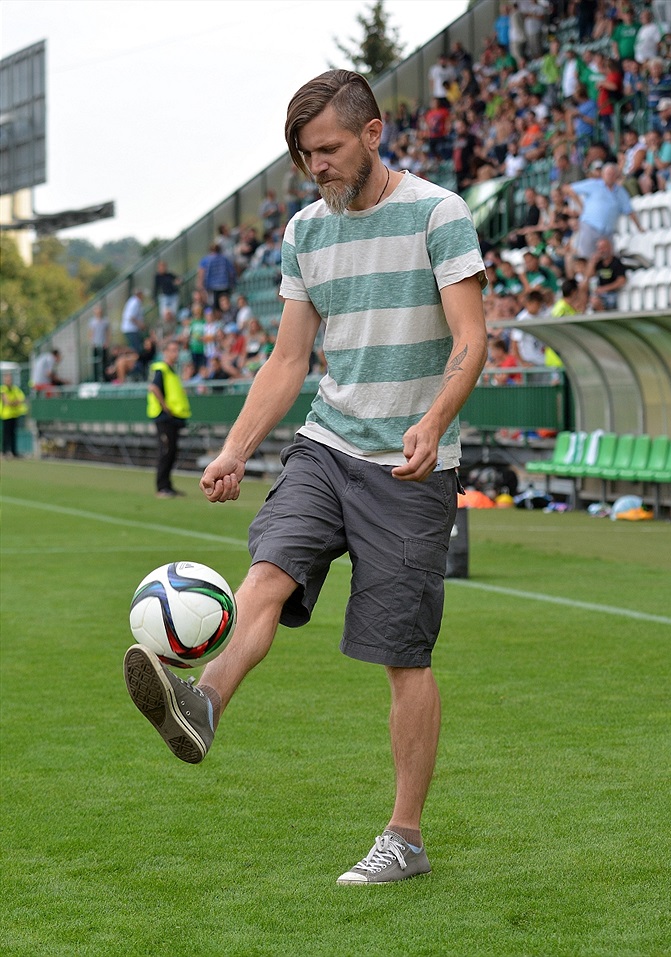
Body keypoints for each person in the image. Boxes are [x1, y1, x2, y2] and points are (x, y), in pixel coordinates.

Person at [124, 68, 487, 886]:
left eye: (326, 149)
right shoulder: (304, 232)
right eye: (301, 154)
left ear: (371, 134)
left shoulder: (439, 213)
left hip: (410, 464)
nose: (315, 165)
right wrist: (235, 448)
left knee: (403, 656)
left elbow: (471, 340)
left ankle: (405, 836)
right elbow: (289, 359)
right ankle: (202, 703)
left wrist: (431, 420)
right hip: (325, 444)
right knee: (264, 576)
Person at [146, 338, 191, 498]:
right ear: (165, 352)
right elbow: (153, 387)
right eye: (172, 350)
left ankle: (168, 486)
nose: (175, 353)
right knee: (165, 451)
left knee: (171, 451)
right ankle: (161, 487)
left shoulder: (172, 371)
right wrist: (165, 406)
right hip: (164, 417)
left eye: (177, 350)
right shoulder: (161, 368)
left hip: (174, 418)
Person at [0, 371, 28, 457]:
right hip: (5, 415)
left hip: (14, 414)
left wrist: (14, 402)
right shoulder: (3, 389)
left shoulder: (15, 389)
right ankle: (5, 451)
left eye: (10, 379)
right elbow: (7, 402)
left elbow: (22, 399)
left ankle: (13, 451)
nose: (9, 381)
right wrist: (15, 402)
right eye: (7, 379)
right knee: (6, 434)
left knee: (13, 434)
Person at [87, 304, 111, 382]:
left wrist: (107, 342)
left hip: (103, 343)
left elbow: (107, 333)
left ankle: (105, 378)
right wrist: (92, 342)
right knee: (95, 361)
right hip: (95, 344)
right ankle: (96, 378)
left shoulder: (105, 321)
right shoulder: (92, 322)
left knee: (104, 361)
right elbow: (91, 333)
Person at [121, 290, 146, 354]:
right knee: (136, 349)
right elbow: (131, 317)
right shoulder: (135, 302)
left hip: (129, 329)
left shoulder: (132, 300)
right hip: (131, 329)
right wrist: (140, 325)